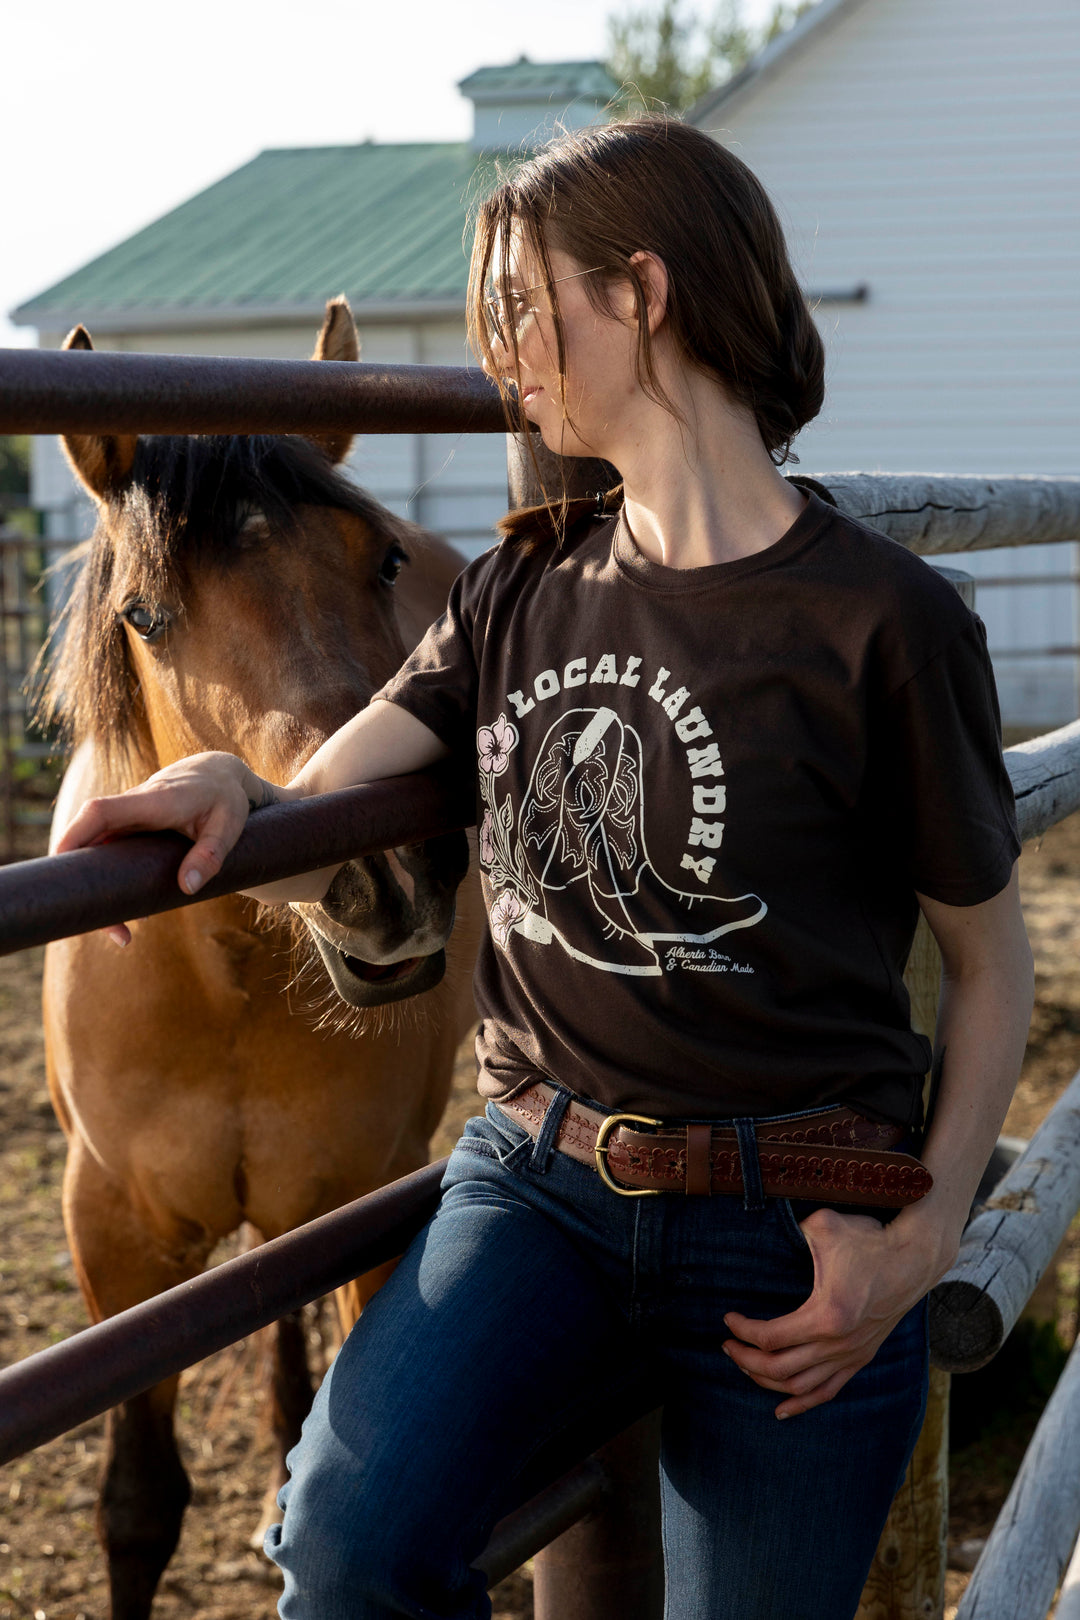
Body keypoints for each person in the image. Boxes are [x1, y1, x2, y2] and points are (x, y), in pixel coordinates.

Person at [59, 117, 1034, 1619]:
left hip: (794, 1220)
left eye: (520, 306)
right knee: (344, 1551)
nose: (495, 350)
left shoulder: (885, 622)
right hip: (539, 1195)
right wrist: (226, 787)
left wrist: (919, 1240)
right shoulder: (521, 583)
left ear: (642, 295)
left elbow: (991, 963)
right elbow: (328, 792)